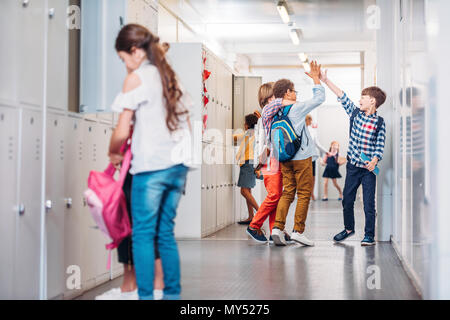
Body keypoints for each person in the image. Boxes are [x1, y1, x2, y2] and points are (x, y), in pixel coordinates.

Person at [109, 24, 191, 300]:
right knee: (165, 233)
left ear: (134, 51)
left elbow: (121, 130)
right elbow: (186, 122)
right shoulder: (170, 77)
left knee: (143, 234)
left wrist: (113, 152)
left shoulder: (138, 78)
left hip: (151, 167)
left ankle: (145, 297)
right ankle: (172, 296)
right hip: (178, 167)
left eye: (123, 59)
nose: (125, 66)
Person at [320, 70, 387, 246]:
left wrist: (374, 160)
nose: (359, 100)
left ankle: (369, 235)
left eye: (363, 97)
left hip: (368, 171)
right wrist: (326, 80)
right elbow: (342, 96)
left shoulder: (379, 123)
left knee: (368, 204)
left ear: (372, 101)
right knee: (347, 200)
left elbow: (379, 146)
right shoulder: (355, 114)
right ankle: (349, 229)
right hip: (352, 167)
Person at [270, 61, 326, 247]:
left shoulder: (275, 111)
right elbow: (318, 100)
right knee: (303, 193)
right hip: (302, 158)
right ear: (287, 92)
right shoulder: (296, 108)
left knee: (288, 193)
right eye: (294, 91)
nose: (295, 94)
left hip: (284, 158)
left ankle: (277, 228)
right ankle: (298, 231)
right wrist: (316, 79)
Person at [246, 83, 293, 244]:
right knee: (274, 195)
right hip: (269, 159)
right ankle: (254, 225)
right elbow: (265, 142)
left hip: (274, 158)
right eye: (275, 95)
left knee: (277, 196)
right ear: (269, 98)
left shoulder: (272, 114)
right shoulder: (268, 111)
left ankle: (275, 231)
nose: (278, 97)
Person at [236, 114, 260, 225]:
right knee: (248, 190)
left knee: (244, 191)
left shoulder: (250, 133)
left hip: (248, 163)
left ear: (248, 124)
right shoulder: (251, 134)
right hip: (249, 163)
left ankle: (260, 213)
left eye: (245, 122)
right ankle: (251, 217)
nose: (243, 124)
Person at [305, 114, 328, 200]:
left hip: (312, 157)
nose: (311, 122)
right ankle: (306, 193)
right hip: (303, 157)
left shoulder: (312, 131)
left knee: (313, 176)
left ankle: (311, 193)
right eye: (309, 120)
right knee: (306, 177)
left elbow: (317, 144)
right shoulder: (300, 130)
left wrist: (326, 151)